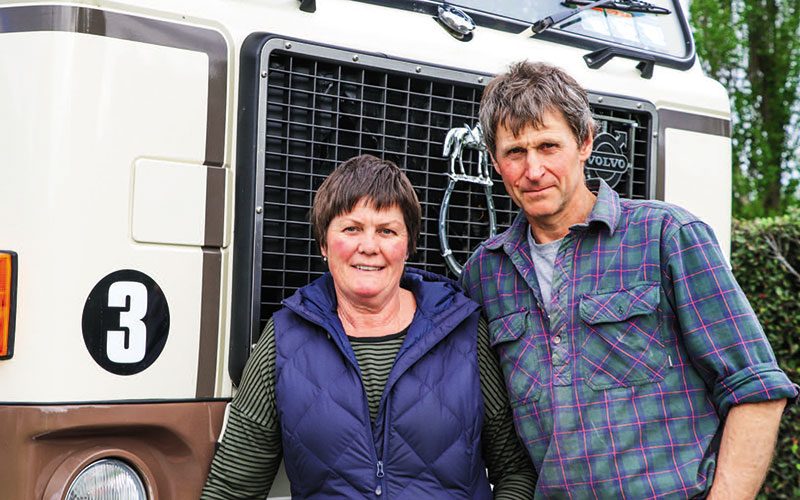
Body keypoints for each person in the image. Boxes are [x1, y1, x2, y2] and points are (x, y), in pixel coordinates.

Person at [459, 61, 799, 499]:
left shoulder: (666, 235)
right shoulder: (485, 273)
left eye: (548, 146)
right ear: (495, 161)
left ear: (585, 141)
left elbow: (755, 389)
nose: (534, 170)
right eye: (515, 153)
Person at [202, 154, 535, 499]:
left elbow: (516, 471)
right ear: (324, 243)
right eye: (352, 229)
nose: (369, 247)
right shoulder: (284, 339)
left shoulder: (463, 331)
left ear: (408, 246)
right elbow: (232, 489)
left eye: (387, 231)